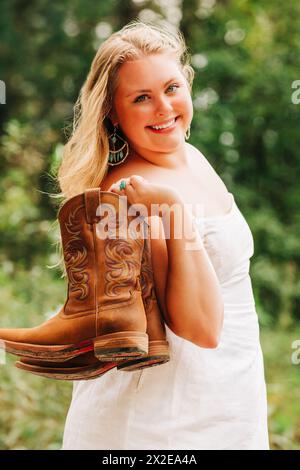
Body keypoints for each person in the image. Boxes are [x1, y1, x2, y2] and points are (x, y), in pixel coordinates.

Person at [59, 20, 269, 450]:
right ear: (113, 113)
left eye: (171, 87)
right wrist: (173, 212)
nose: (163, 108)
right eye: (141, 98)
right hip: (158, 425)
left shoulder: (190, 157)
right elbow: (203, 329)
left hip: (226, 401)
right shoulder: (126, 195)